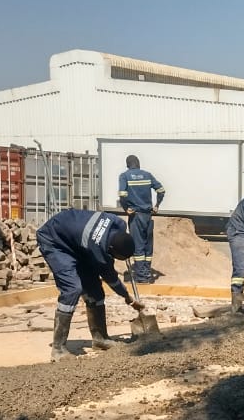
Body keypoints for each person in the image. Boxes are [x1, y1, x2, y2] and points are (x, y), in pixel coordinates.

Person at [36, 209, 143, 361]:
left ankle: (100, 339)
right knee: (73, 288)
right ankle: (58, 349)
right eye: (115, 257)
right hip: (55, 241)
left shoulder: (118, 223)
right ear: (110, 250)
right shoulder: (97, 247)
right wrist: (128, 298)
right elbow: (110, 276)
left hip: (77, 241)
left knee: (95, 291)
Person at [117, 155, 165, 283]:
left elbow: (122, 194)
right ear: (138, 164)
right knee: (147, 245)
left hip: (136, 216)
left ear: (127, 164)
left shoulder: (124, 176)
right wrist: (156, 206)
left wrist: (126, 208)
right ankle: (147, 273)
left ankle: (142, 277)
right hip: (148, 216)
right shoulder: (147, 175)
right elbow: (161, 190)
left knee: (138, 246)